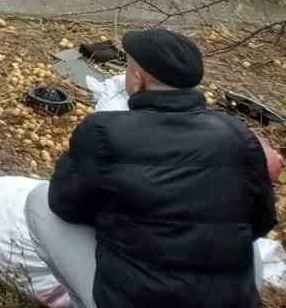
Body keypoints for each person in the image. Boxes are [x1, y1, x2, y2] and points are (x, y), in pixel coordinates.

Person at [25, 28, 277, 308]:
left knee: (38, 201)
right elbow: (261, 222)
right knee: (240, 237)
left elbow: (64, 204)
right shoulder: (238, 135)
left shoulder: (103, 131)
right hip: (228, 300)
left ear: (137, 78)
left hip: (137, 298)